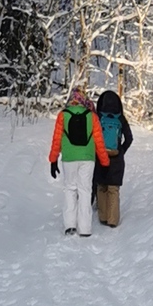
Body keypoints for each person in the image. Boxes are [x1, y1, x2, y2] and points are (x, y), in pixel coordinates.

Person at [48, 89, 107, 236]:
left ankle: (70, 226)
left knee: (70, 189)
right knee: (85, 191)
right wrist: (105, 162)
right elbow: (99, 141)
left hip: (69, 158)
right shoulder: (92, 116)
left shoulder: (63, 115)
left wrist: (53, 160)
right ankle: (85, 229)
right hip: (88, 158)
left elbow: (56, 139)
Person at [94, 88, 133, 227]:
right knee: (113, 189)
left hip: (100, 155)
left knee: (101, 186)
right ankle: (113, 220)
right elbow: (129, 138)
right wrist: (121, 150)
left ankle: (103, 217)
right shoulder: (121, 118)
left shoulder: (98, 117)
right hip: (116, 158)